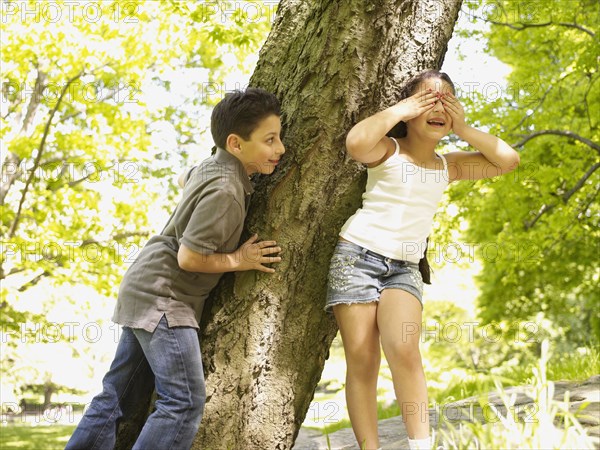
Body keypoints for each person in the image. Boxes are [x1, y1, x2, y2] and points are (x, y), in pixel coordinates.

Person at [66, 87, 285, 450]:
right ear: (235, 143)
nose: (280, 149)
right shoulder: (227, 190)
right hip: (165, 298)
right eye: (270, 140)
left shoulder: (212, 165)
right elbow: (189, 257)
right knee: (183, 402)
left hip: (145, 287)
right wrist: (238, 260)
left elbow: (186, 178)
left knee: (116, 396)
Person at [325, 70, 520, 450]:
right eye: (428, 99)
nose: (438, 106)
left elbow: (508, 161)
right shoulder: (388, 150)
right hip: (357, 258)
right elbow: (355, 142)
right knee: (363, 361)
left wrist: (463, 129)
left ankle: (421, 445)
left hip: (404, 269)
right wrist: (401, 108)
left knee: (404, 349)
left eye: (447, 100)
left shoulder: (449, 165)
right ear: (410, 110)